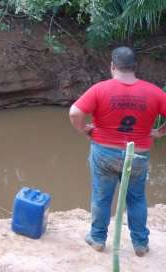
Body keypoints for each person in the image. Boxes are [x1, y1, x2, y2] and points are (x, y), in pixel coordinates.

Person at [69, 46, 166, 256]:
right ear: (135, 67)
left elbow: (74, 112)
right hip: (138, 154)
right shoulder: (154, 92)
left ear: (112, 66)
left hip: (104, 152)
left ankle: (97, 239)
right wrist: (159, 132)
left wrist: (84, 129)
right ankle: (140, 244)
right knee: (137, 198)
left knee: (102, 197)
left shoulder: (99, 89)